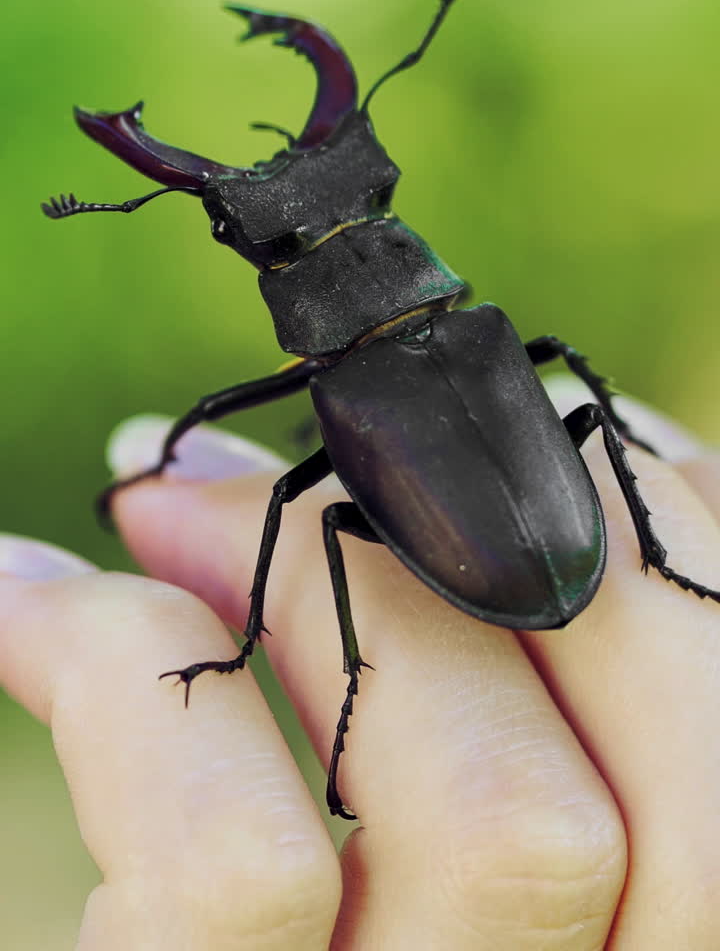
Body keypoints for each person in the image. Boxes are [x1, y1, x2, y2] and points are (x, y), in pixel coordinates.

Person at [1, 379, 719, 948]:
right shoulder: (483, 335)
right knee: (581, 411)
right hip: (535, 536)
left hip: (514, 549)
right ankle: (659, 560)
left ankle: (339, 665)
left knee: (305, 503)